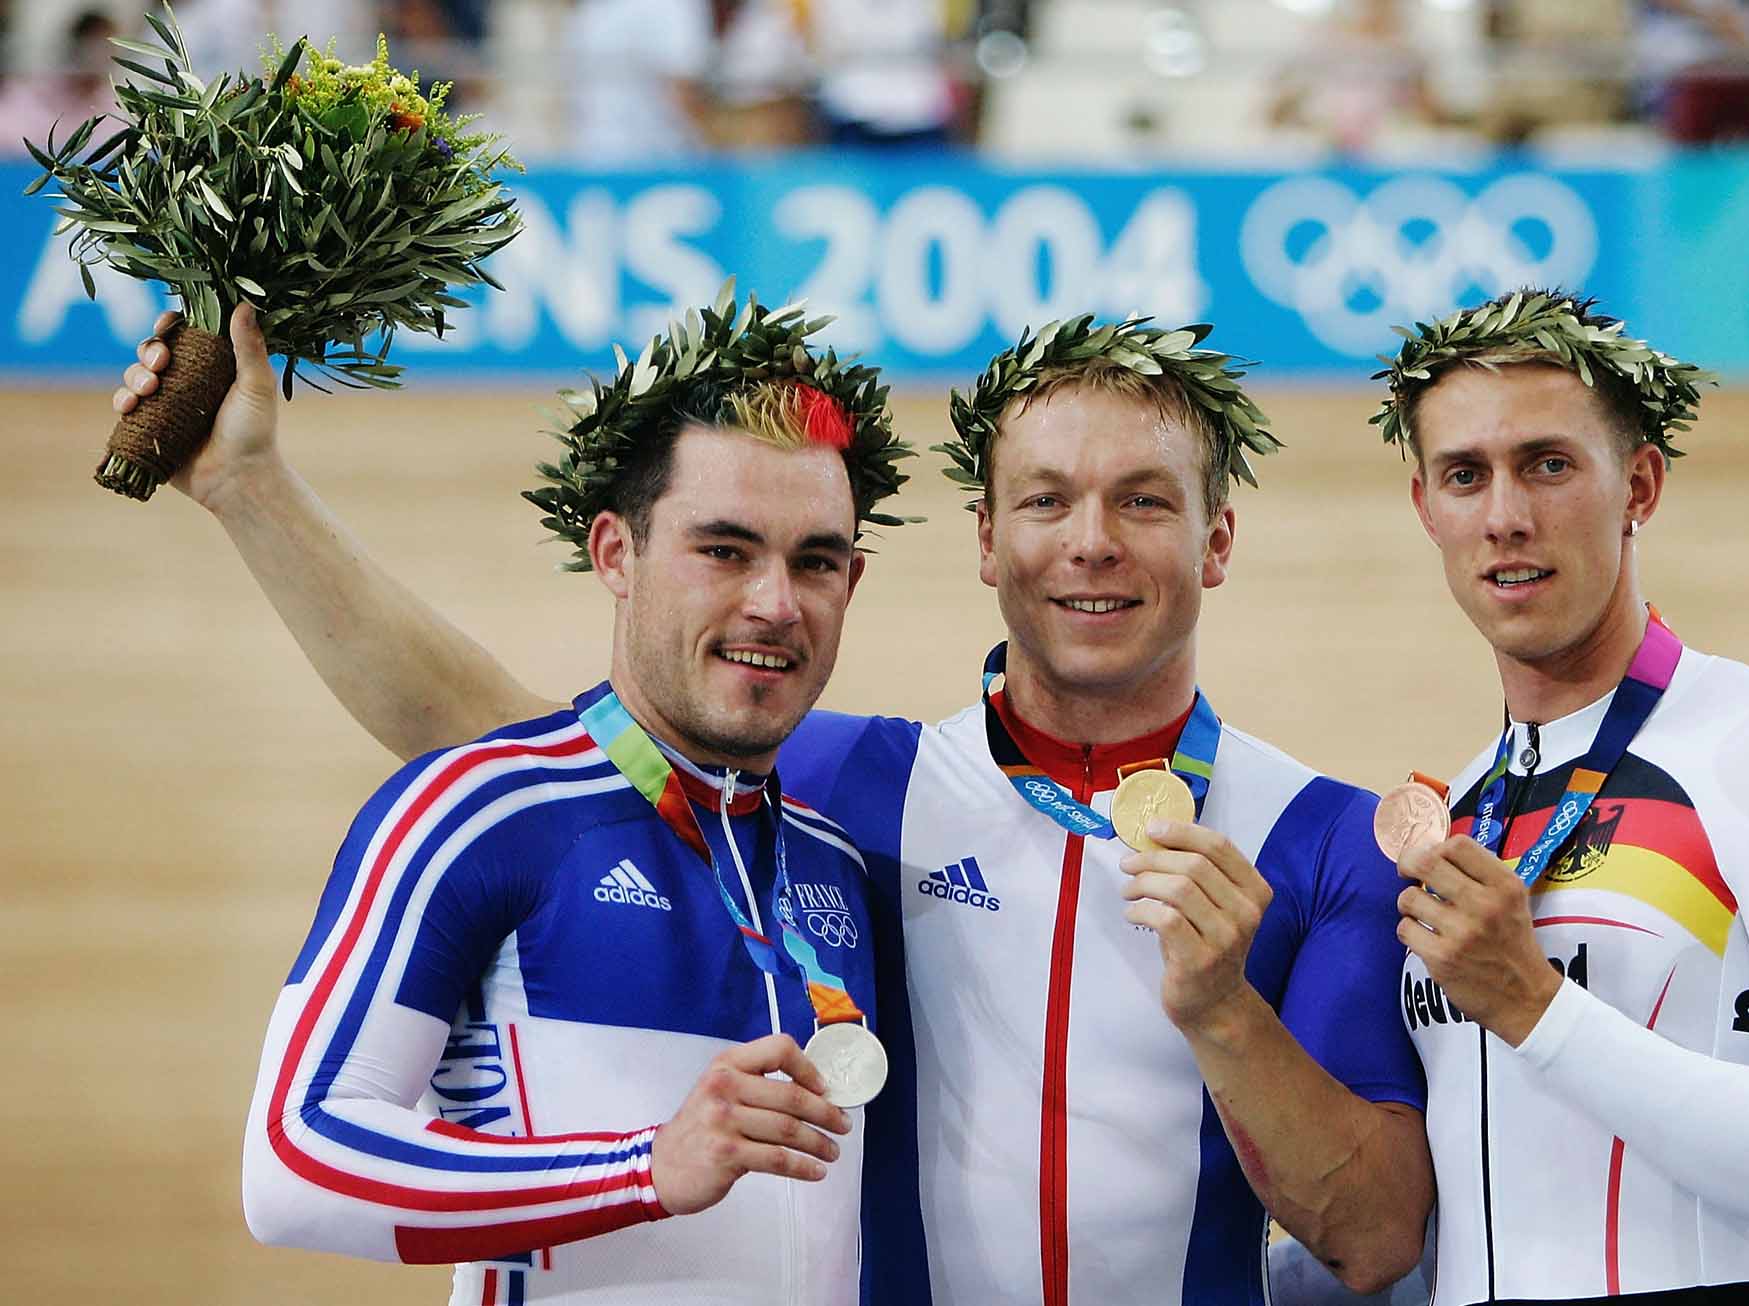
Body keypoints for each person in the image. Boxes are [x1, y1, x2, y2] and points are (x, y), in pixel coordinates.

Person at [115, 313, 1433, 1302]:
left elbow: (1374, 1238)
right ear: (987, 538)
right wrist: (256, 496)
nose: (1090, 541)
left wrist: (1223, 1008)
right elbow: (547, 758)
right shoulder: (852, 794)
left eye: (1143, 501)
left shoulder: (1324, 839)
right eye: (1045, 499)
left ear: (1217, 539)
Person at [220, 288, 913, 1304]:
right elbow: (295, 1161)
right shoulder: (474, 809)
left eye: (813, 560)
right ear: (615, 554)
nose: (773, 600)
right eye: (723, 549)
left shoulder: (837, 865)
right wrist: (639, 1167)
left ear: (849, 583)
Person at [1372, 290, 1749, 1303]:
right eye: (1466, 475)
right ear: (1426, 509)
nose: (1504, 515)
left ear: (1637, 484)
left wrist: (1537, 1006)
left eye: (1547, 463)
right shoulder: (1461, 806)